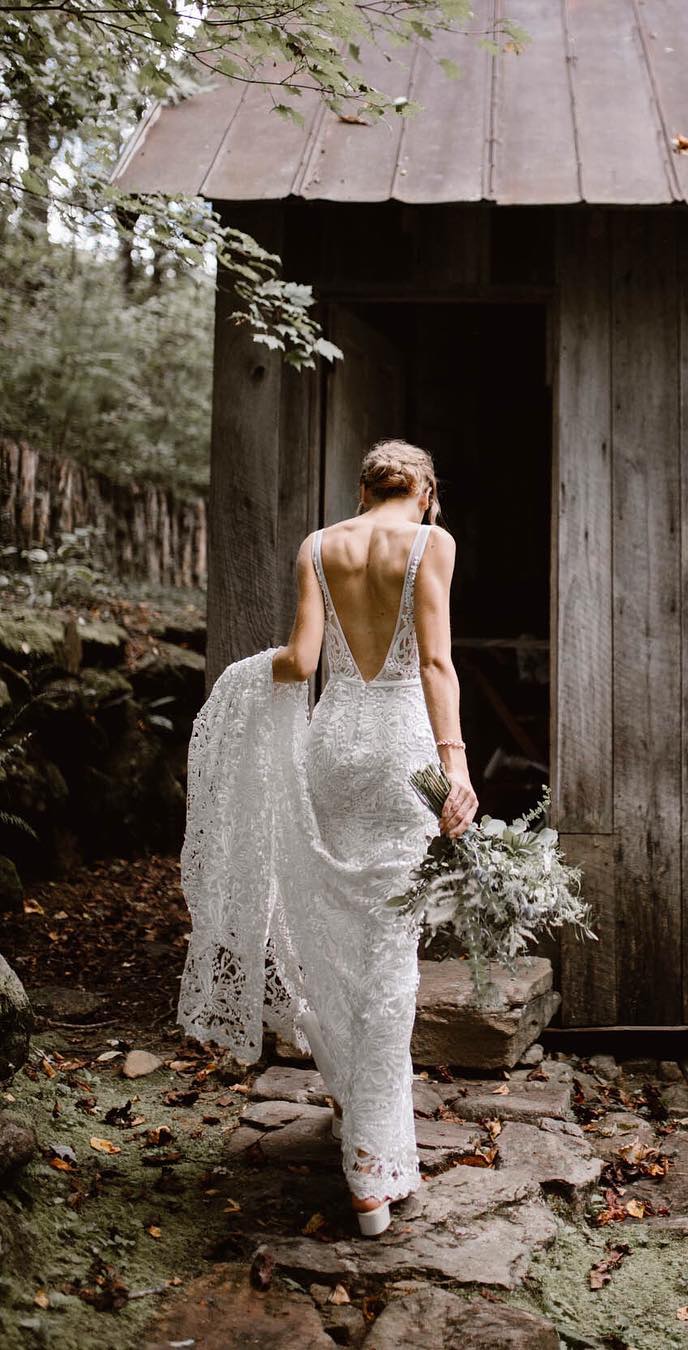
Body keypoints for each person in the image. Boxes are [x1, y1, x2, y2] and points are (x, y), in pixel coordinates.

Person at [178, 439, 477, 1239]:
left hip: (333, 747)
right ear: (424, 489)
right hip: (401, 753)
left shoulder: (319, 545)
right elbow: (437, 664)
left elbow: (302, 660)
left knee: (334, 939)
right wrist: (455, 763)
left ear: (362, 489)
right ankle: (373, 1173)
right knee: (389, 956)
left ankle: (353, 1108)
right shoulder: (431, 542)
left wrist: (242, 678)